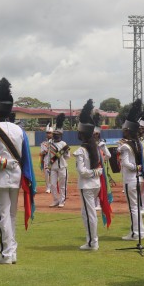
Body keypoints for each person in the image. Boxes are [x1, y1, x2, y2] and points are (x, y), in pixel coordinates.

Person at [0, 78, 36, 264]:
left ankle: (6, 254)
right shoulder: (19, 130)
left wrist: (0, 162)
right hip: (16, 176)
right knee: (11, 215)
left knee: (2, 215)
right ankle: (12, 252)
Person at [74, 99, 105, 250]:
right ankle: (91, 241)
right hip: (96, 184)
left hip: (86, 185)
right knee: (88, 213)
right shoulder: (95, 148)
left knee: (88, 214)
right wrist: (96, 172)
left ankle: (93, 242)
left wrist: (93, 172)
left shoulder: (81, 150)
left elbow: (82, 172)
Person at [118, 99, 144, 241]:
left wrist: (136, 167)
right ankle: (138, 232)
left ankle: (136, 233)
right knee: (136, 207)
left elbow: (127, 164)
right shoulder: (138, 143)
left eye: (124, 129)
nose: (122, 131)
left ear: (127, 131)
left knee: (133, 208)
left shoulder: (125, 146)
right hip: (139, 178)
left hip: (131, 179)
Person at [46, 114, 69, 207]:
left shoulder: (64, 144)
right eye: (54, 135)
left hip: (62, 167)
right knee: (53, 185)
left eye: (57, 135)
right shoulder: (50, 143)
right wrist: (49, 165)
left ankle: (62, 201)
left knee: (63, 185)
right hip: (53, 167)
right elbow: (48, 155)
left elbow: (67, 156)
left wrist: (61, 155)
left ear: (60, 135)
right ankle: (55, 200)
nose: (55, 136)